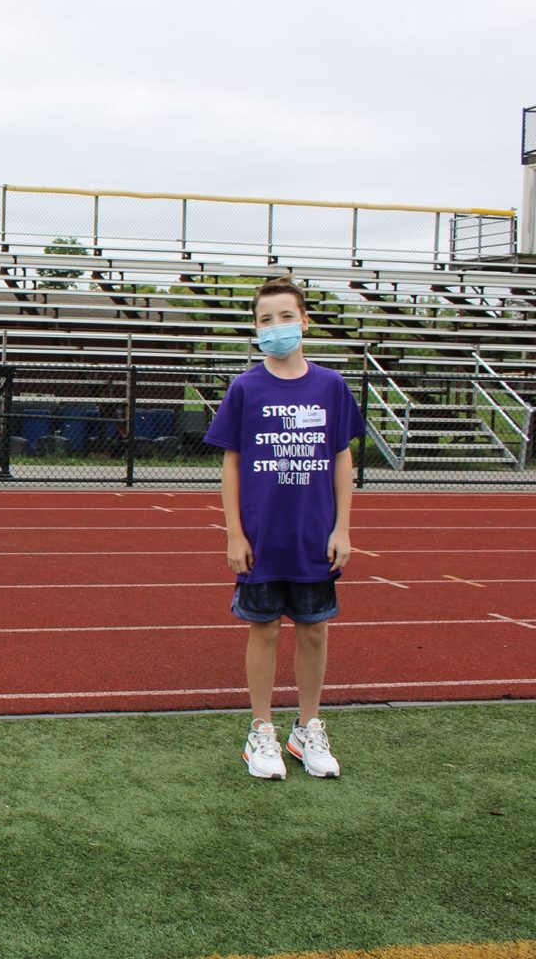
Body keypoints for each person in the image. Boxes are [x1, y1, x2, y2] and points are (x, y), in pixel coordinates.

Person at [204, 277, 364, 780]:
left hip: (314, 536)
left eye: (285, 316)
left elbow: (342, 458)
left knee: (315, 631)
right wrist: (234, 532)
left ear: (304, 321)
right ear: (256, 327)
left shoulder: (331, 386)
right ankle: (261, 730)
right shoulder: (246, 387)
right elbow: (231, 464)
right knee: (265, 628)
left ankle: (308, 727)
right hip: (262, 538)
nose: (277, 327)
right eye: (266, 319)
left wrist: (342, 528)